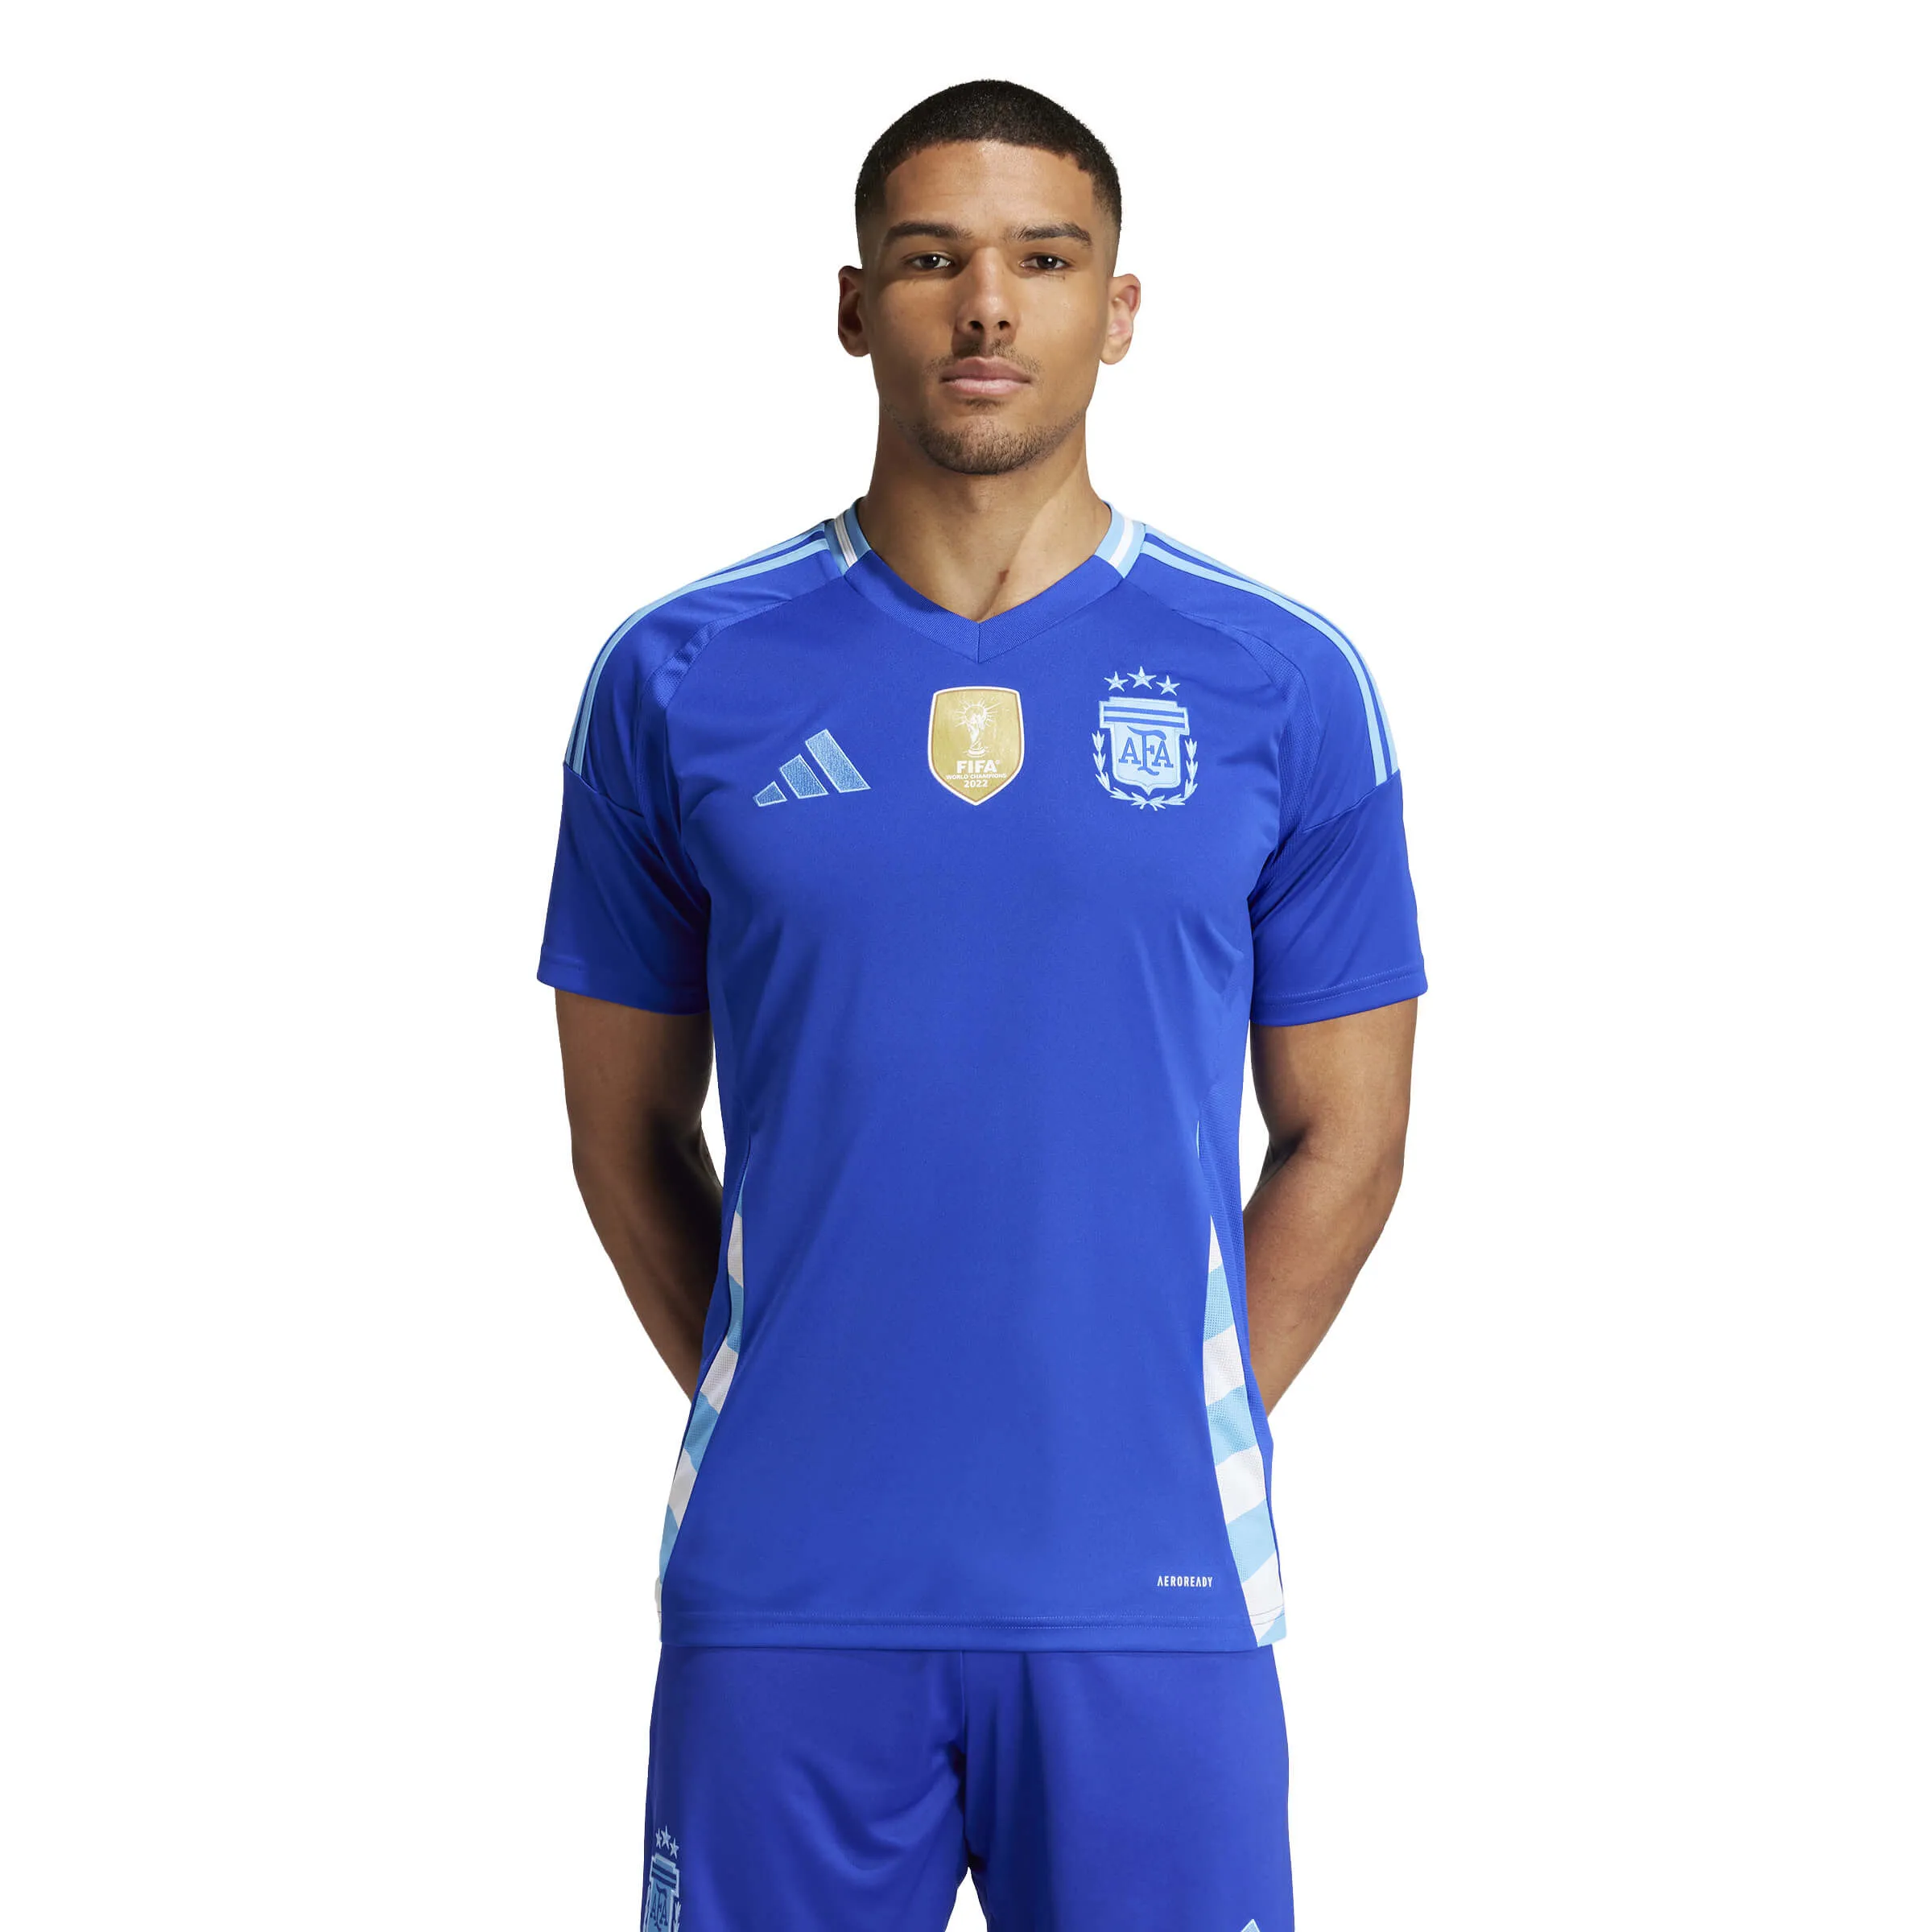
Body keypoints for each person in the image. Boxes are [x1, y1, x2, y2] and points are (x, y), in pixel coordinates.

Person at [539, 76, 1424, 1932]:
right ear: (855, 304)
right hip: (787, 1598)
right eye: (934, 260)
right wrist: (800, 1381)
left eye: (1046, 259)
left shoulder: (1279, 681)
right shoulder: (679, 675)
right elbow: (623, 1132)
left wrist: (1160, 1421)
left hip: (1149, 1595)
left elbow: (1346, 1136)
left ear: (1122, 309)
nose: (990, 306)